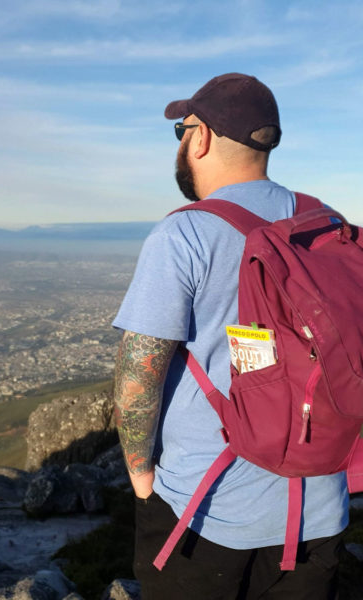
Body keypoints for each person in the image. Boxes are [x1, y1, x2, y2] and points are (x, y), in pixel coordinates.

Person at [111, 73, 348, 599]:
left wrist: (142, 481)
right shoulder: (329, 224)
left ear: (201, 137)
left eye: (182, 130)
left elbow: (138, 375)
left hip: (207, 510)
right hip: (320, 511)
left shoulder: (184, 233)